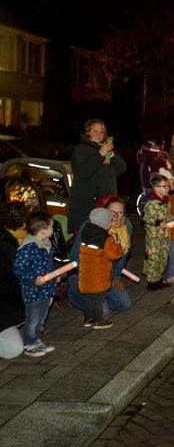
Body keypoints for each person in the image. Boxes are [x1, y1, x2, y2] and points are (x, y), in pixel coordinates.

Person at [68, 196, 134, 319]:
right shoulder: (90, 226)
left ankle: (101, 300)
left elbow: (123, 256)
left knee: (125, 305)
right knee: (102, 313)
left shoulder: (126, 227)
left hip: (106, 275)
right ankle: (74, 290)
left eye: (120, 213)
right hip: (87, 274)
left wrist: (116, 276)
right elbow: (74, 255)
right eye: (112, 212)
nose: (116, 217)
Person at [67, 119, 127, 233]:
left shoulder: (106, 148)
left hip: (107, 204)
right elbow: (82, 172)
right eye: (96, 132)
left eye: (102, 132)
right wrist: (100, 155)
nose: (99, 135)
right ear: (88, 133)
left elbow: (122, 169)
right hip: (88, 206)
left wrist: (113, 156)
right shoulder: (80, 149)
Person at [14, 212, 57, 357]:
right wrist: (34, 279)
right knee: (33, 319)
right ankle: (29, 344)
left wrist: (53, 276)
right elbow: (19, 269)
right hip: (34, 291)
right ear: (43, 231)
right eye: (52, 227)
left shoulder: (45, 245)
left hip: (46, 290)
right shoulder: (29, 248)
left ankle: (37, 340)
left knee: (41, 318)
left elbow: (47, 266)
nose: (53, 230)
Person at [78, 208, 122, 329]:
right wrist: (118, 244)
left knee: (88, 298)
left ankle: (88, 319)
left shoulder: (86, 232)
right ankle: (98, 320)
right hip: (98, 275)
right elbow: (114, 255)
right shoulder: (105, 238)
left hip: (86, 274)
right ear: (105, 223)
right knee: (98, 299)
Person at [0, 203, 26, 359]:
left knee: (15, 348)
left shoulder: (8, 240)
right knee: (14, 349)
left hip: (7, 303)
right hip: (7, 302)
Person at [142, 174, 174, 290]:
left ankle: (158, 277)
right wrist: (158, 222)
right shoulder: (151, 202)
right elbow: (146, 218)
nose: (168, 189)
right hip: (154, 237)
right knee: (154, 257)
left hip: (165, 235)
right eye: (164, 186)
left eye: (168, 186)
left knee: (163, 256)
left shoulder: (166, 201)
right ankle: (151, 281)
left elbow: (168, 216)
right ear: (156, 188)